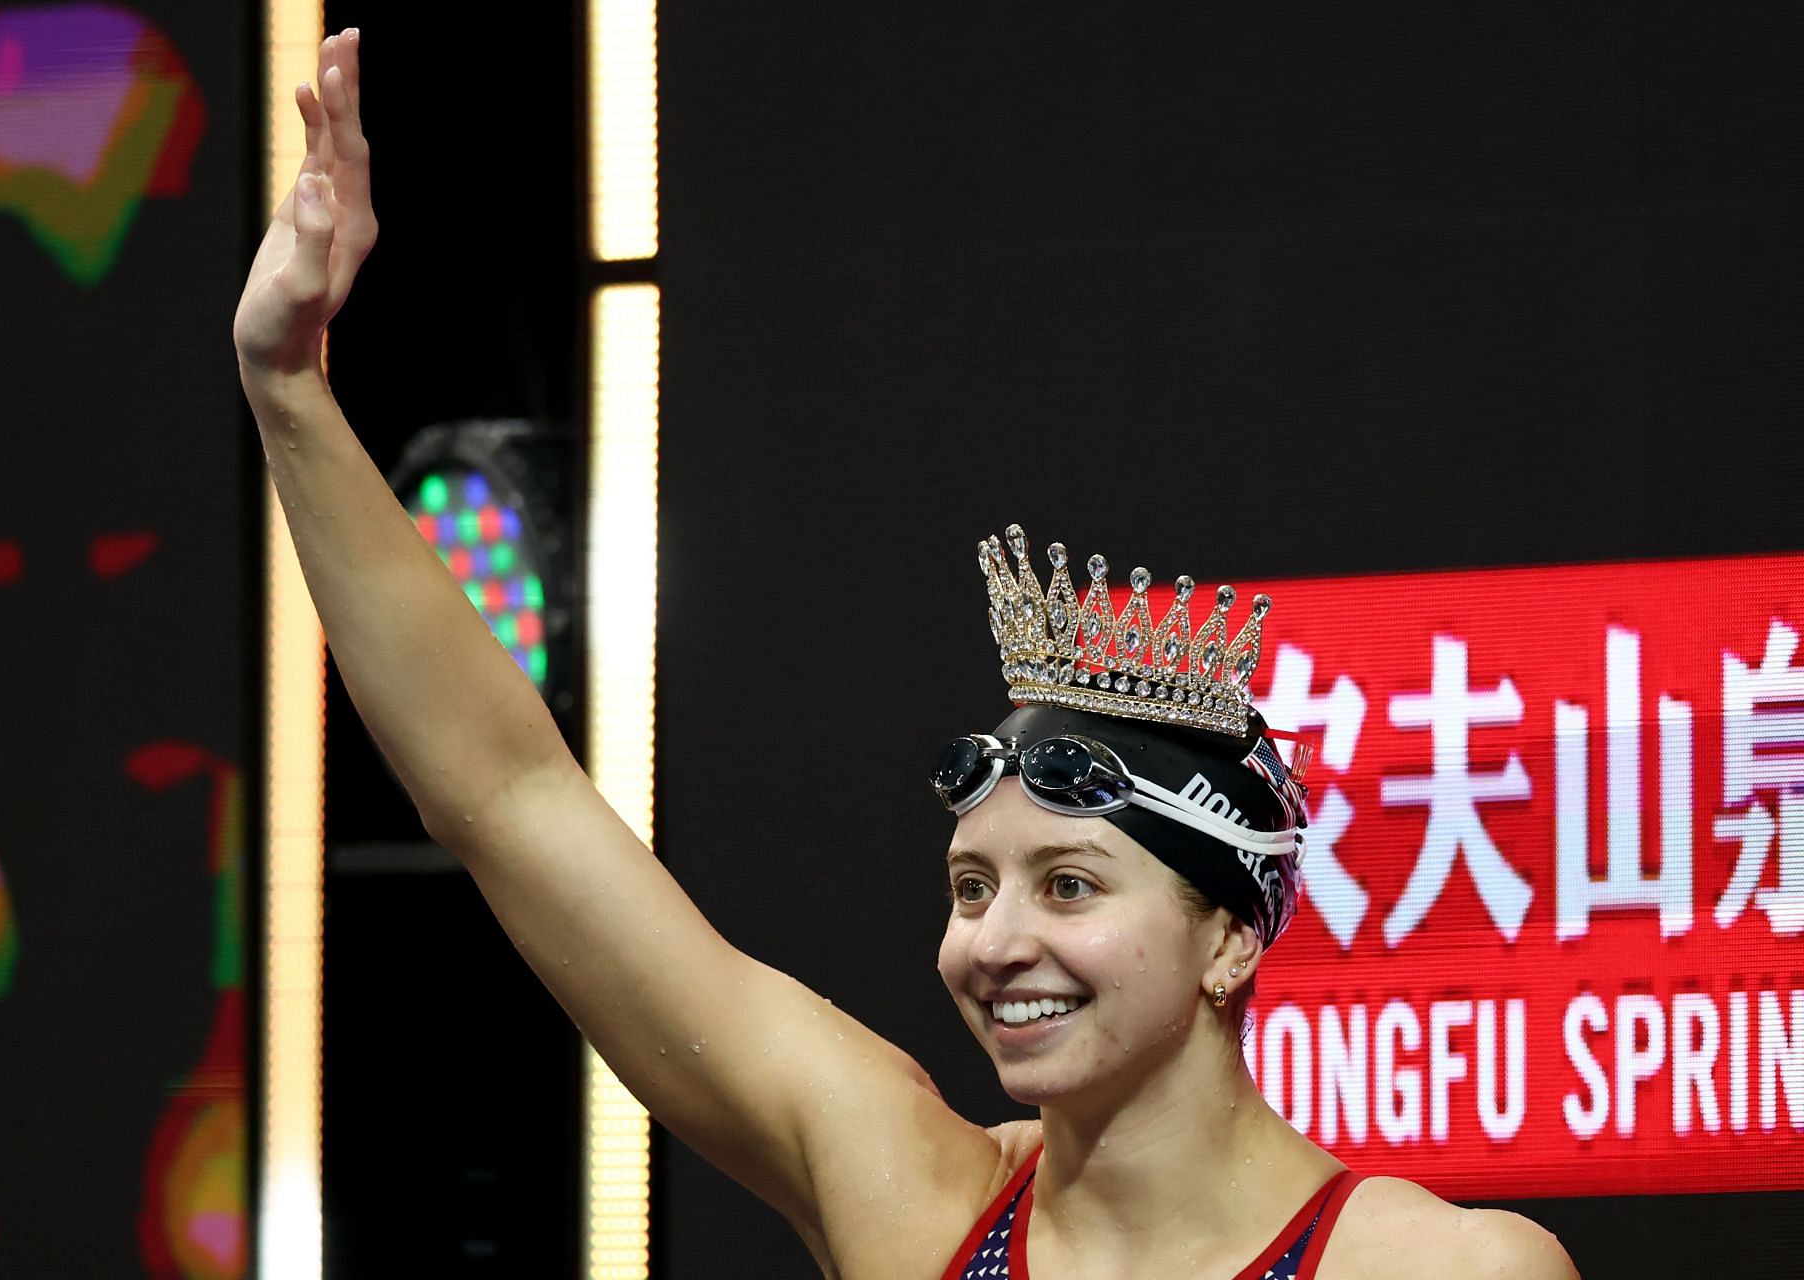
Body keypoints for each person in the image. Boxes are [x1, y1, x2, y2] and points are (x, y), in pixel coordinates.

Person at [233, 31, 1580, 1279]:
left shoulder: (1439, 1267)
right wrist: (290, 389)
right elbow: (510, 798)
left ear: (1228, 934)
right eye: (971, 886)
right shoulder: (915, 1201)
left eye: (1067, 886)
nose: (996, 943)